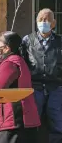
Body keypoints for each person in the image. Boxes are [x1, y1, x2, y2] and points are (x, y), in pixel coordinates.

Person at [22, 8, 62, 143]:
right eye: (40, 19)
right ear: (36, 21)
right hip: (34, 86)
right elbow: (22, 61)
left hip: (55, 86)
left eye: (47, 19)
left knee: (57, 121)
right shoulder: (27, 40)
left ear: (53, 23)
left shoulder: (60, 41)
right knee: (32, 120)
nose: (43, 22)